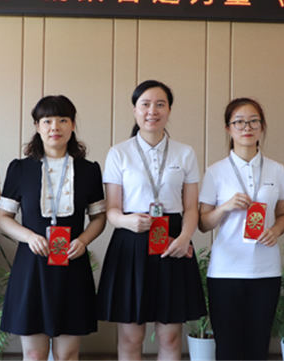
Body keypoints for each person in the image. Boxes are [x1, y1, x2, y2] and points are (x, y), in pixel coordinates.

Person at [96, 79, 206, 360]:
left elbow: (191, 208)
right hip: (131, 241)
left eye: (160, 104)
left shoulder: (185, 152)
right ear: (134, 109)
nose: (152, 111)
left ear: (169, 110)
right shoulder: (119, 152)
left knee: (170, 336)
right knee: (131, 336)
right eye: (145, 104)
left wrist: (184, 239)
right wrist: (127, 221)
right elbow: (112, 210)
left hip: (173, 240)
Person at [0, 95, 107, 360]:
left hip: (72, 264)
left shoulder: (89, 170)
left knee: (68, 354)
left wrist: (83, 241)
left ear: (73, 125)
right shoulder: (20, 169)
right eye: (47, 121)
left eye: (62, 120)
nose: (54, 127)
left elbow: (99, 218)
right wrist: (29, 237)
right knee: (34, 354)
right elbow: (3, 217)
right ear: (37, 126)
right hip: (31, 266)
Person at [198, 97, 284, 360]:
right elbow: (203, 223)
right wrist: (224, 207)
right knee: (227, 348)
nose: (246, 127)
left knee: (258, 347)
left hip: (266, 270)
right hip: (225, 270)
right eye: (239, 122)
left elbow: (283, 215)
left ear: (262, 127)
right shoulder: (215, 171)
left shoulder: (276, 169)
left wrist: (275, 231)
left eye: (253, 121)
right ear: (228, 128)